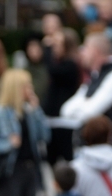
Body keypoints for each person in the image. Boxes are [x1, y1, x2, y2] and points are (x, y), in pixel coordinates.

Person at [0, 69, 50, 196]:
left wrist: (37, 110)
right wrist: (6, 144)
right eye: (27, 86)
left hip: (31, 169)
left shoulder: (29, 112)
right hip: (10, 171)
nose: (31, 90)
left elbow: (45, 136)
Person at [60, 31, 112, 151]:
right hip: (88, 150)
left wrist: (85, 104)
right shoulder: (95, 76)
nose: (81, 52)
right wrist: (87, 103)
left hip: (109, 153)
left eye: (85, 48)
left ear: (95, 51)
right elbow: (65, 110)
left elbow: (89, 113)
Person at [42, 27, 81, 164]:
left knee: (67, 154)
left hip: (64, 119)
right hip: (53, 117)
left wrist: (46, 50)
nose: (54, 47)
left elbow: (53, 70)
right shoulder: (61, 63)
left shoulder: (71, 65)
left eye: (58, 44)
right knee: (52, 156)